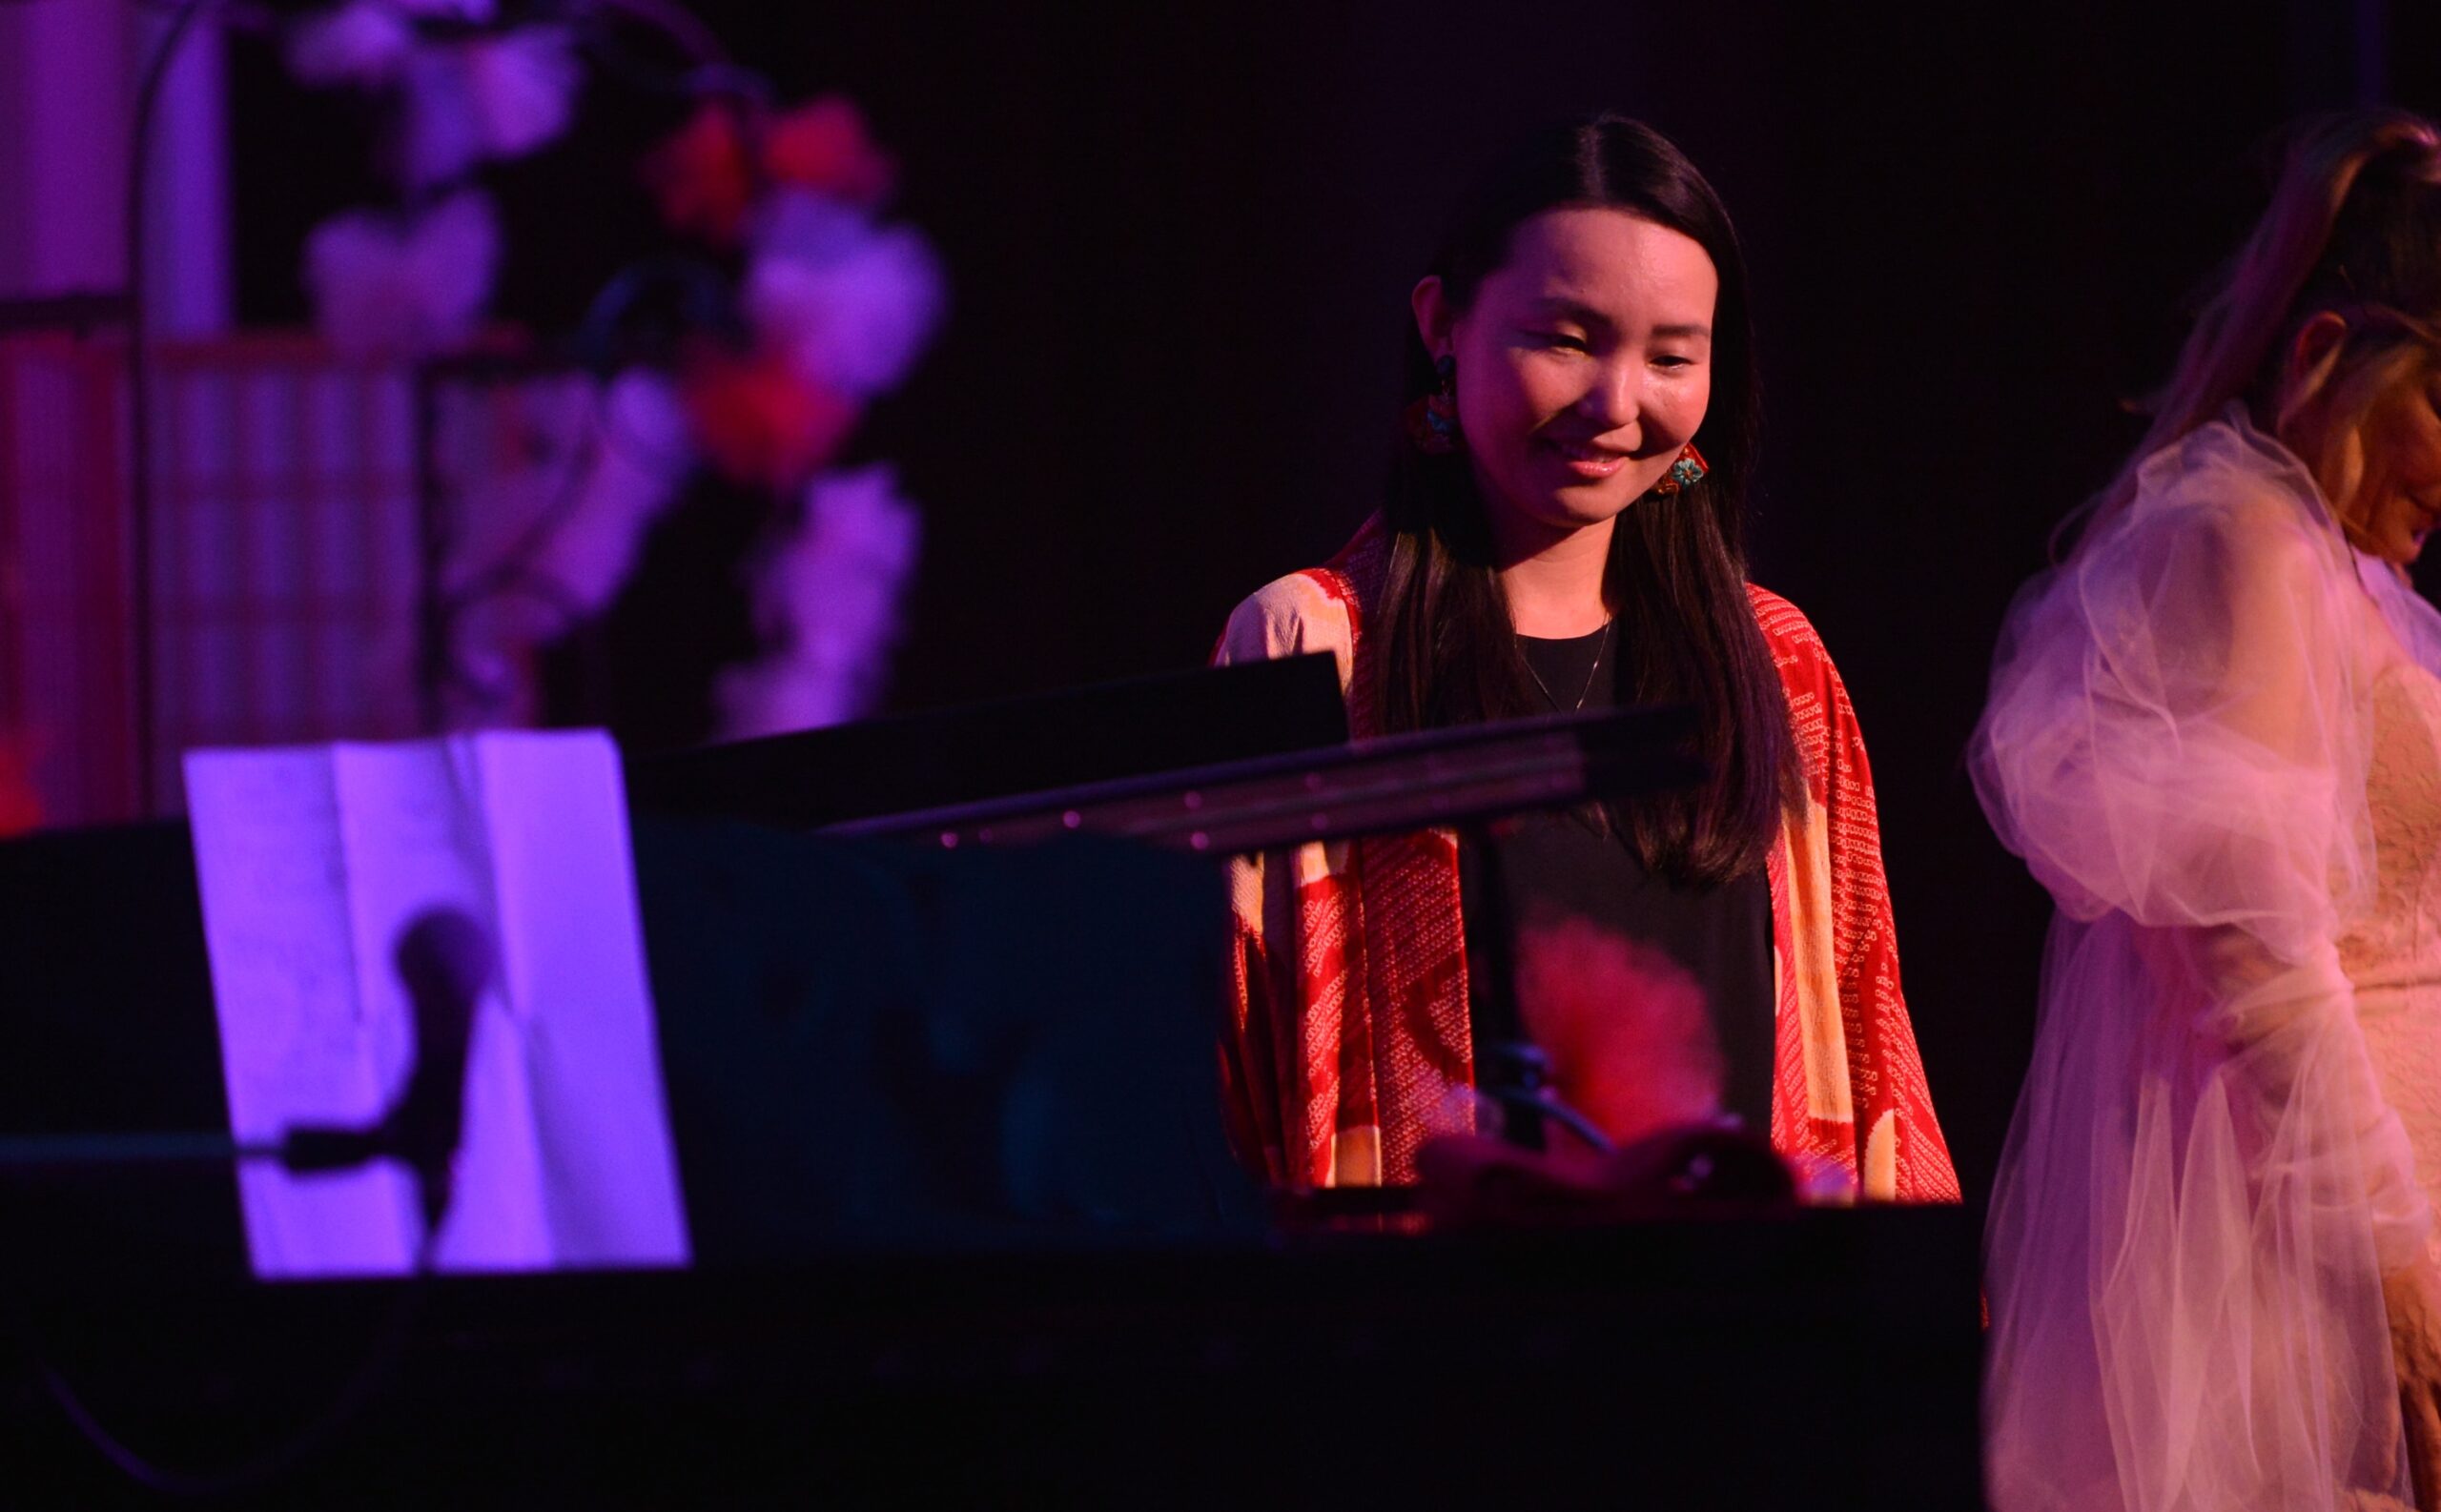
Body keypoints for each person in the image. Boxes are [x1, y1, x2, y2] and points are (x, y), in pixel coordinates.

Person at [1212, 113, 1958, 1203]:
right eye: (1565, 340)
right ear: (1442, 324)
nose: (1616, 403)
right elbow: (1228, 1070)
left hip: (1742, 1294)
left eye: (1671, 357)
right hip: (1440, 1298)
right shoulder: (1312, 646)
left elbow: (1867, 1039)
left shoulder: (1778, 660)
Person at [1975, 110, 2441, 1511]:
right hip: (2324, 1268)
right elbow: (2256, 958)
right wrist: (2400, 1277)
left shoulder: (2363, 583)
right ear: (2324, 354)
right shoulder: (2243, 537)